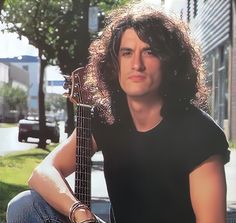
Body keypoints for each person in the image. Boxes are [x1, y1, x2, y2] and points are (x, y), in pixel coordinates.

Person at [7, 1, 230, 223]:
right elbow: (42, 173)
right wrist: (80, 213)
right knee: (25, 206)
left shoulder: (200, 135)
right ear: (115, 64)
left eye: (149, 52)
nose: (137, 64)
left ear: (170, 63)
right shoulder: (107, 116)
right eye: (127, 53)